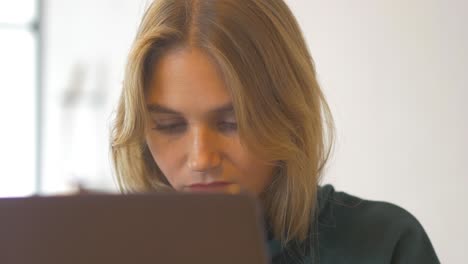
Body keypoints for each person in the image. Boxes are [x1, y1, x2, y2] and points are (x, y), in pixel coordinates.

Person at [111, 0, 440, 263]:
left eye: (231, 123)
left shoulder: (385, 244)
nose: (201, 159)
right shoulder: (117, 251)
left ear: (287, 114)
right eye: (170, 126)